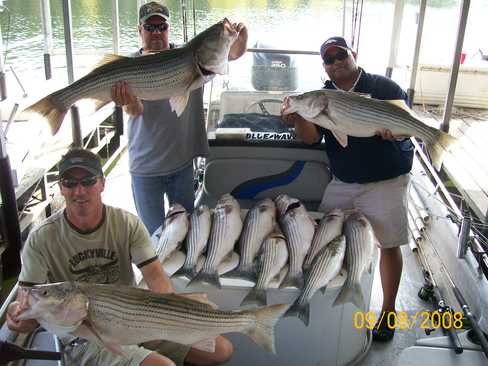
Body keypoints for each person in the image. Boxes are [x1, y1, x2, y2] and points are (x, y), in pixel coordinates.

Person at [7, 148, 233, 366]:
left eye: (88, 181)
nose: (79, 191)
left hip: (134, 316)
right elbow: (25, 300)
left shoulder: (126, 223)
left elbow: (155, 277)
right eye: (70, 183)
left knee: (221, 351)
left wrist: (168, 318)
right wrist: (19, 317)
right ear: (61, 188)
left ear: (102, 184)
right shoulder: (41, 238)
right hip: (84, 333)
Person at [281, 36, 414, 342]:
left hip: (386, 180)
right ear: (324, 68)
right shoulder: (322, 97)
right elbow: (312, 138)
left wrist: (396, 134)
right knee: (325, 238)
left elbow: (407, 127)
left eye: (341, 55)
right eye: (329, 59)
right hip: (343, 181)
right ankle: (332, 298)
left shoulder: (384, 88)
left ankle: (388, 313)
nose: (336, 62)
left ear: (353, 55)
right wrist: (298, 116)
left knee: (389, 244)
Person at [111, 2, 248, 235]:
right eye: (150, 27)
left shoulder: (191, 56)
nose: (156, 33)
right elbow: (135, 112)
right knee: (154, 237)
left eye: (161, 27)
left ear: (168, 29)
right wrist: (128, 101)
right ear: (139, 30)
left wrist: (241, 36)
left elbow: (231, 53)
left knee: (184, 232)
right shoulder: (128, 67)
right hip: (145, 169)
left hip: (182, 165)